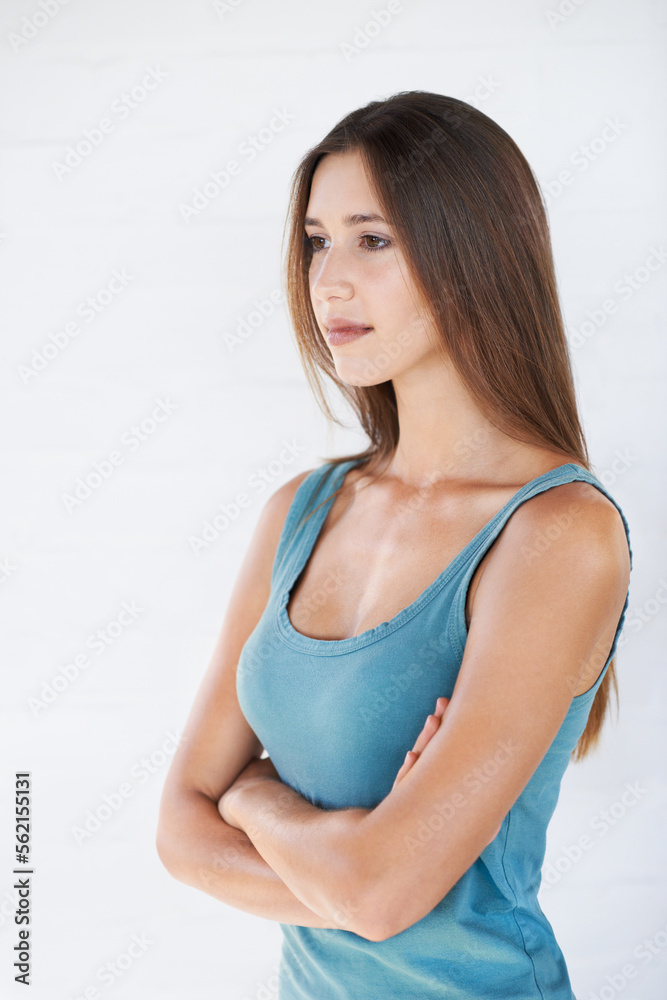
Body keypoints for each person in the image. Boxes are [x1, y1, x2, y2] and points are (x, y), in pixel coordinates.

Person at [156, 91, 633, 999]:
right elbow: (179, 833)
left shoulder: (556, 533)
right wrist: (343, 859)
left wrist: (253, 799)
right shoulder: (301, 510)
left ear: (474, 255)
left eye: (372, 239)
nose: (327, 278)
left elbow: (379, 898)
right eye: (315, 240)